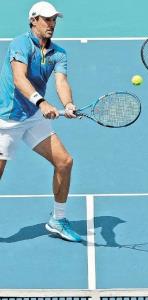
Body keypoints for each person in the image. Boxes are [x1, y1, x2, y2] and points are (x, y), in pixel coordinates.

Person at [0, 1, 82, 242]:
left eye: (54, 19)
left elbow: (61, 82)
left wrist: (67, 104)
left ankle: (57, 219)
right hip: (7, 119)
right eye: (47, 19)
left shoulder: (59, 53)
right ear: (33, 20)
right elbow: (18, 78)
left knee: (65, 162)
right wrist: (41, 102)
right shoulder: (20, 44)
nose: (52, 24)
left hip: (33, 118)